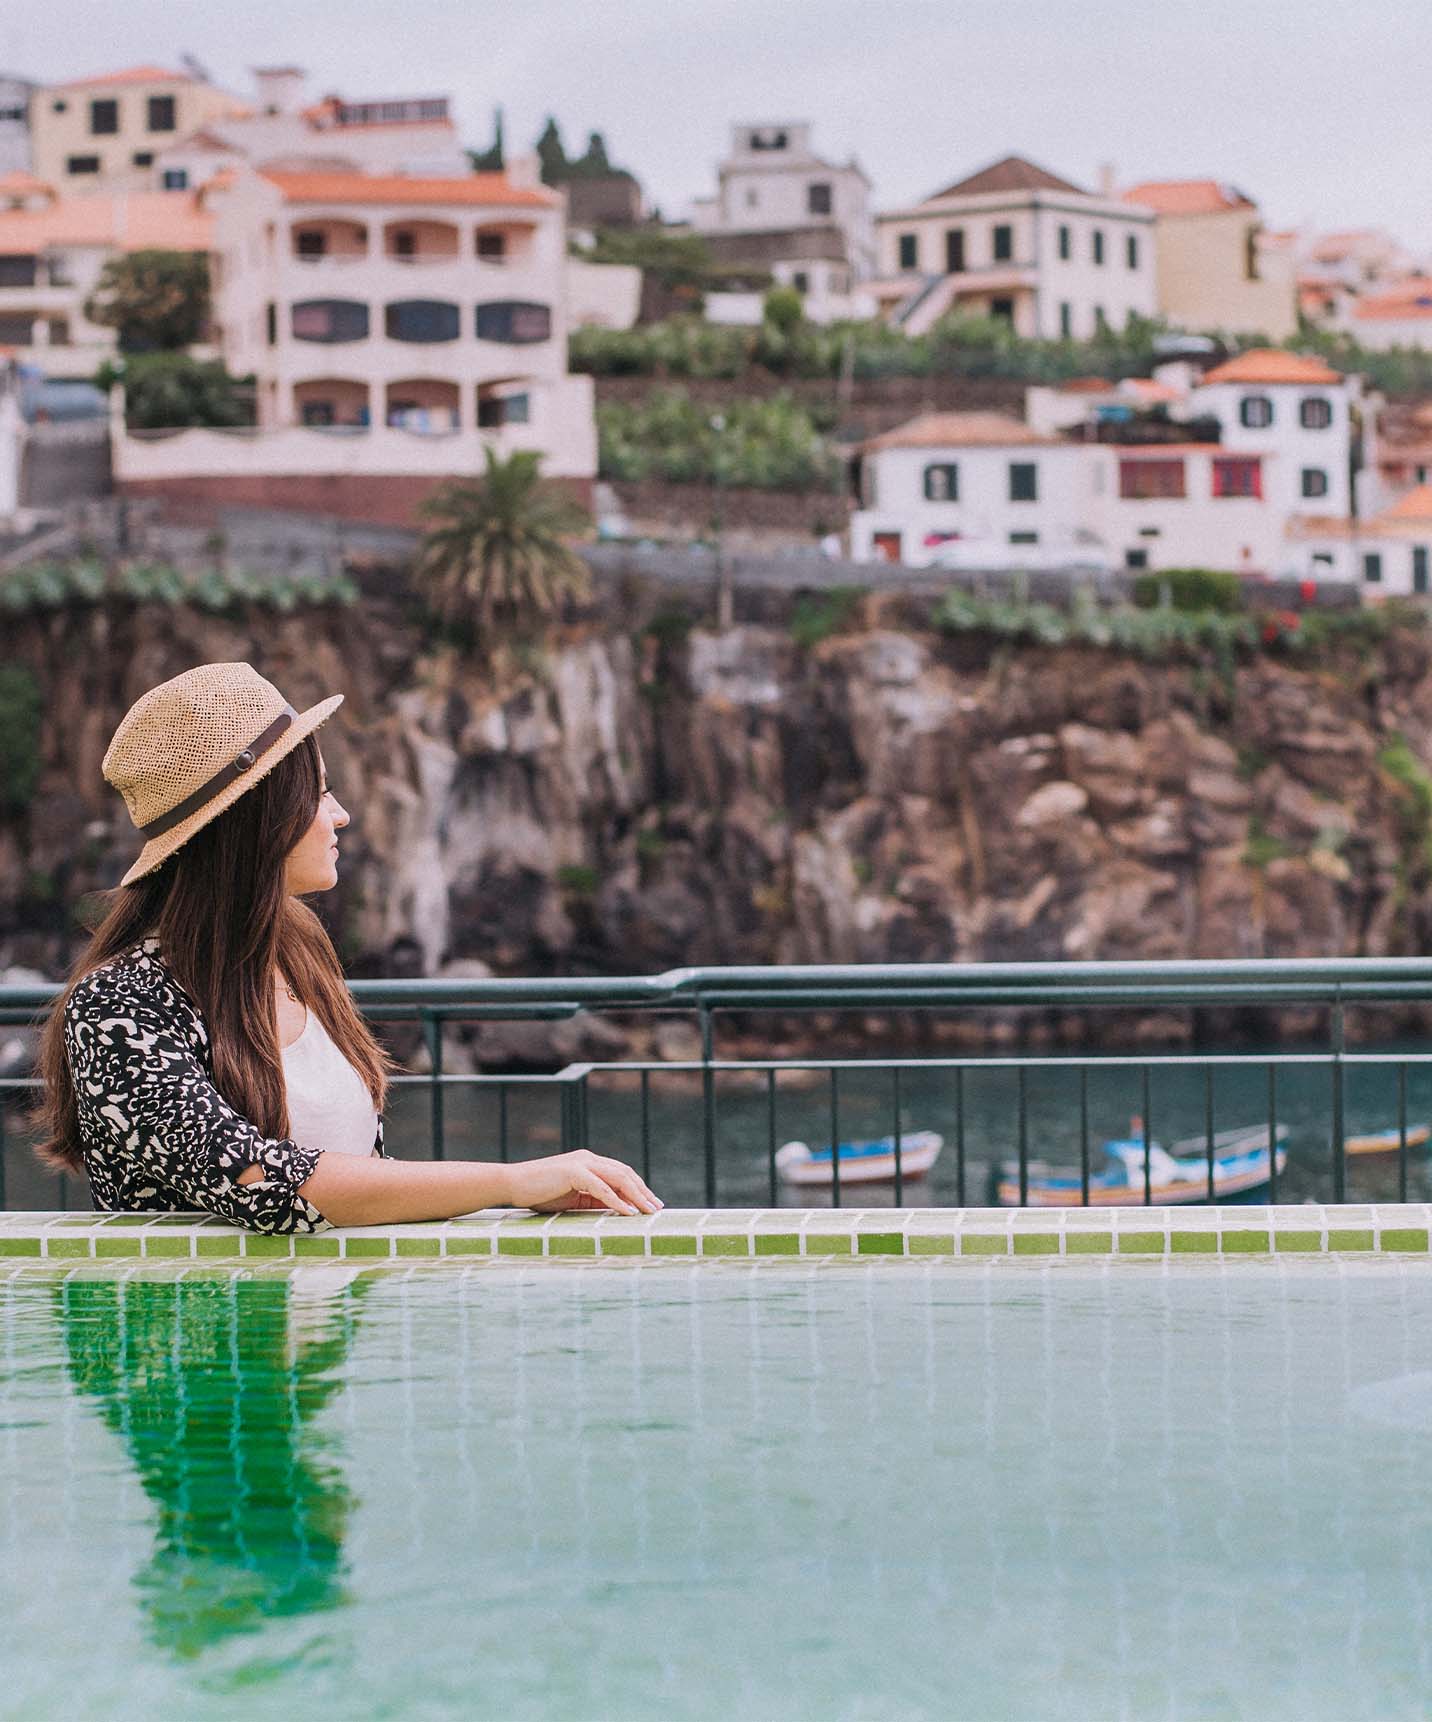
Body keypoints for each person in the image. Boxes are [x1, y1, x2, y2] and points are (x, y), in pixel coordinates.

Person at [29, 661, 662, 1233]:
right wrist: (511, 1181)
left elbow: (360, 1169)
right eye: (319, 793)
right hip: (197, 1350)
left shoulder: (297, 949)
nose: (341, 815)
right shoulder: (118, 1007)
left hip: (321, 1343)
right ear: (255, 821)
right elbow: (261, 1182)